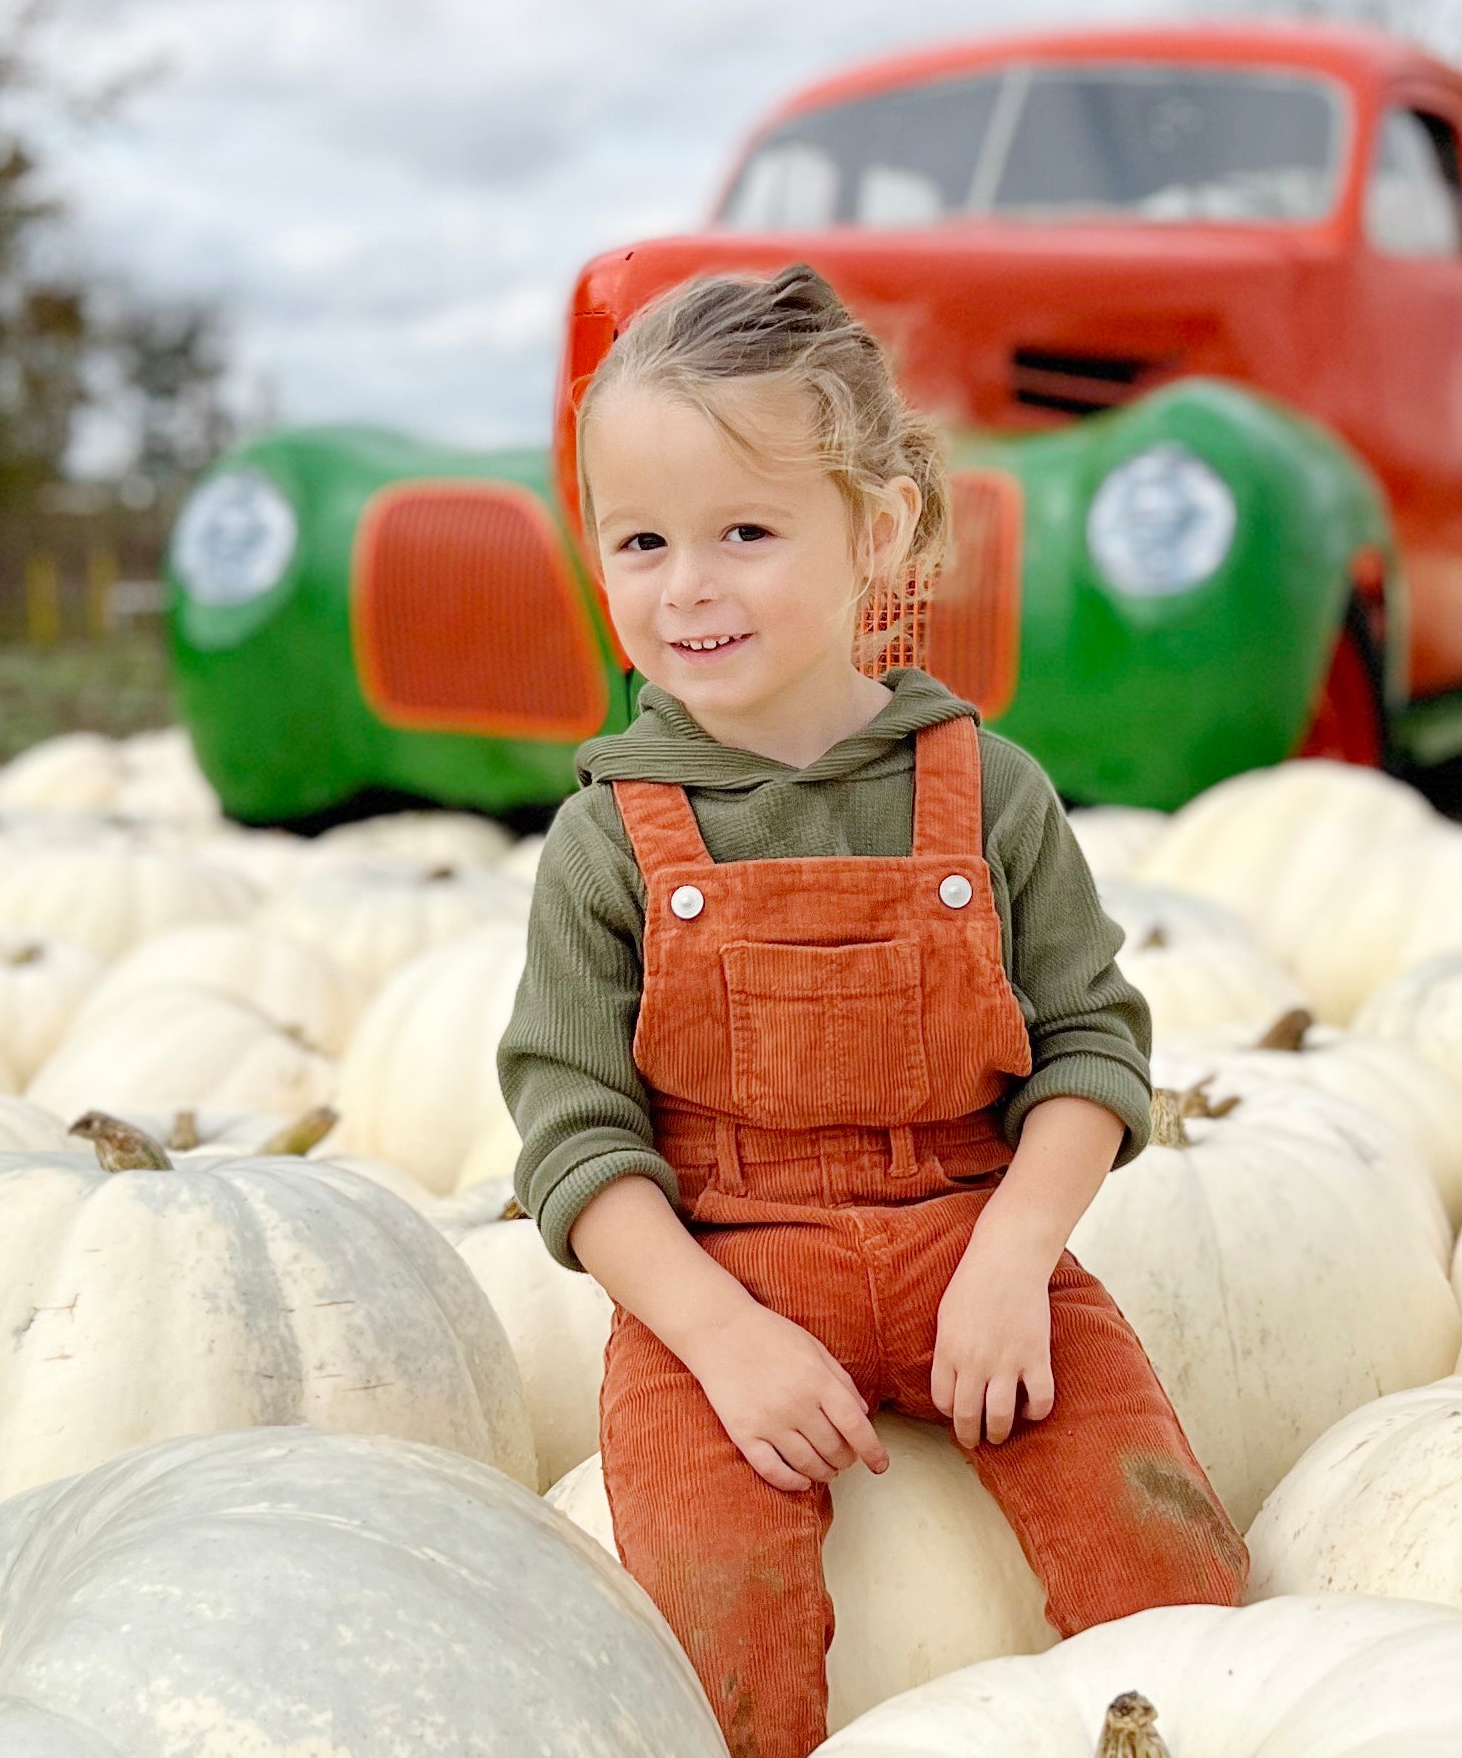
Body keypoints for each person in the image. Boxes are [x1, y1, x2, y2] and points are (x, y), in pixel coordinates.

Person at [500, 262, 1246, 1758]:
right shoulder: (608, 838)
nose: (686, 584)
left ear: (880, 530)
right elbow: (574, 1139)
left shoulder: (988, 789)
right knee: (712, 1603)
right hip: (726, 1261)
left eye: (746, 533)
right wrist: (718, 1338)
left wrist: (1016, 1260)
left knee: (1153, 1537)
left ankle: (1210, 1723)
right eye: (639, 540)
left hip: (970, 1230)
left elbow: (1093, 1049)